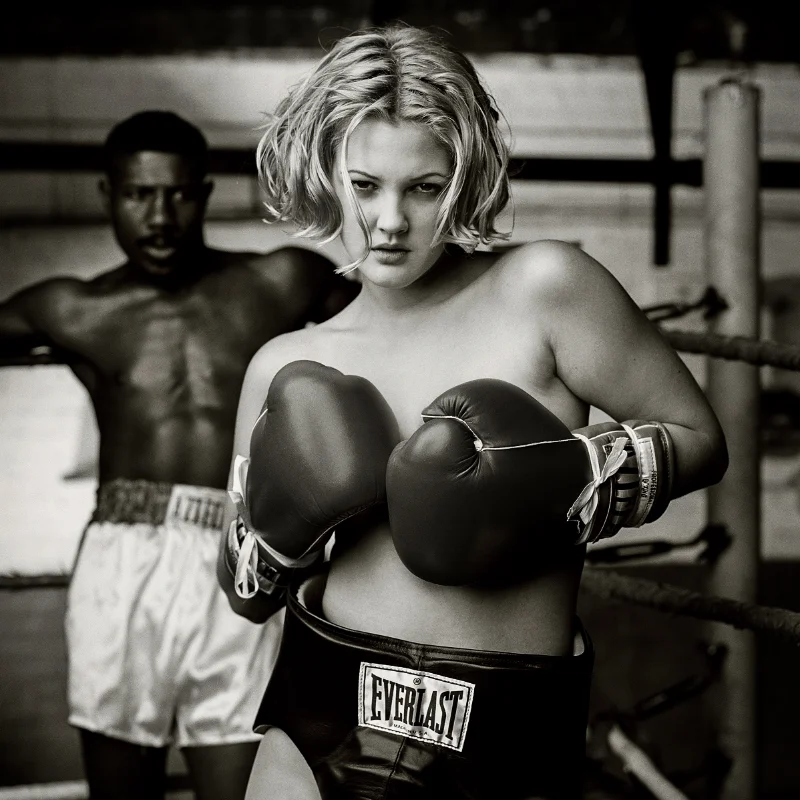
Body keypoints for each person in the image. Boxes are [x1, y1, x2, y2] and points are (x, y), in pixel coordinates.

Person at [218, 24, 728, 800]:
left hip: (507, 728)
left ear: (462, 180)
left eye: (423, 188)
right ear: (327, 173)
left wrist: (574, 476)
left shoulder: (546, 289)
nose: (390, 221)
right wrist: (282, 532)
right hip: (318, 711)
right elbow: (245, 593)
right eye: (365, 185)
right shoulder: (284, 364)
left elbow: (702, 440)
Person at [0, 110, 359, 800]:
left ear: (204, 192)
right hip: (120, 564)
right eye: (138, 195)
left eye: (175, 194)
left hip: (241, 557)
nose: (158, 216)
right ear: (109, 195)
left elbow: (401, 322)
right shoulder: (75, 308)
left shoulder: (281, 282)